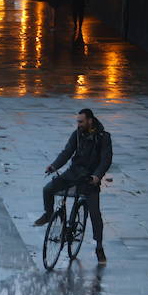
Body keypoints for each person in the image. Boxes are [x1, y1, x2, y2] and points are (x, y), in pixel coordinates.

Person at [34, 108, 112, 263]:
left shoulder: (103, 137)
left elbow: (106, 159)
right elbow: (67, 152)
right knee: (48, 189)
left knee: (95, 214)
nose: (79, 124)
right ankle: (48, 214)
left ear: (90, 120)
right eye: (77, 121)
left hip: (89, 178)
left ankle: (99, 246)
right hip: (73, 173)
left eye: (81, 121)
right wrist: (54, 166)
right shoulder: (76, 134)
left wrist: (97, 176)